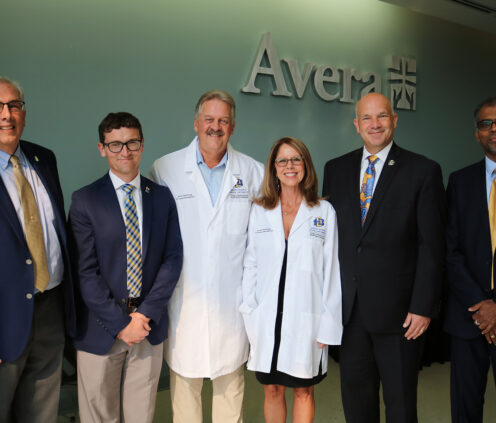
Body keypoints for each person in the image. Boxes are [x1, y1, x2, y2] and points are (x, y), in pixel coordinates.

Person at [322, 92, 445, 423]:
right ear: (356, 124)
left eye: (382, 116)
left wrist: (423, 307)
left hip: (401, 316)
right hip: (350, 313)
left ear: (394, 120)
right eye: (366, 118)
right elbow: (332, 239)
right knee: (356, 403)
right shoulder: (336, 168)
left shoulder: (423, 171)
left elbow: (432, 246)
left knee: (401, 405)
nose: (374, 124)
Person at [150, 90, 264, 423]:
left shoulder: (253, 172)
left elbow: (260, 241)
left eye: (223, 121)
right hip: (185, 301)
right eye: (209, 120)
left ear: (233, 126)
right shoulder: (166, 168)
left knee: (231, 392)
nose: (216, 127)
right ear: (197, 123)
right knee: (185, 394)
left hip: (232, 303)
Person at [69, 112, 182, 422]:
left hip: (147, 326)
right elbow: (85, 273)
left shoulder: (160, 197)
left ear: (142, 145)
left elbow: (172, 260)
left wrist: (144, 315)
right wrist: (121, 323)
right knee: (99, 416)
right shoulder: (85, 201)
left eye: (132, 143)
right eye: (115, 144)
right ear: (101, 148)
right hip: (101, 328)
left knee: (140, 416)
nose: (125, 151)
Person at [241, 137, 342, 422]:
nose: (289, 166)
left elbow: (331, 270)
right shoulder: (260, 210)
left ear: (305, 166)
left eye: (296, 159)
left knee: (304, 391)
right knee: (272, 389)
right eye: (282, 160)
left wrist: (328, 322)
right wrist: (250, 310)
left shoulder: (323, 211)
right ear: (273, 168)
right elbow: (250, 265)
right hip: (266, 319)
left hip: (307, 320)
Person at [0, 76, 77, 423]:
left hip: (50, 308)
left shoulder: (43, 159)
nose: (7, 115)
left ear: (24, 113)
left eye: (14, 105)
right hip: (4, 316)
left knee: (42, 410)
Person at [445, 96, 496, 423]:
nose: (493, 129)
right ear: (476, 133)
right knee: (465, 408)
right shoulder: (459, 182)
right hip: (469, 316)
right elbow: (449, 250)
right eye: (486, 123)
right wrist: (481, 303)